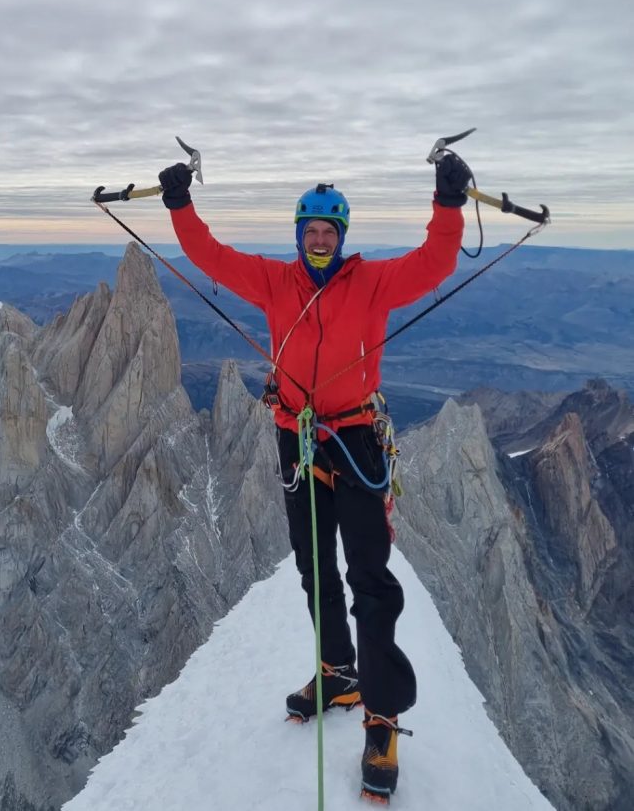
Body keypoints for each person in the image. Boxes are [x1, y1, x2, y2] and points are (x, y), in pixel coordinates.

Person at [157, 151, 471, 802]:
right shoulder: (275, 284)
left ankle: (381, 719)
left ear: (342, 237)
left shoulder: (374, 284)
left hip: (355, 435)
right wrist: (179, 205)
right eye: (311, 230)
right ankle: (337, 672)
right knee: (313, 564)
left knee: (371, 578)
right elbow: (212, 258)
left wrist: (447, 203)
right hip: (296, 435)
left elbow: (435, 263)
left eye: (329, 231)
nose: (320, 240)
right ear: (299, 235)